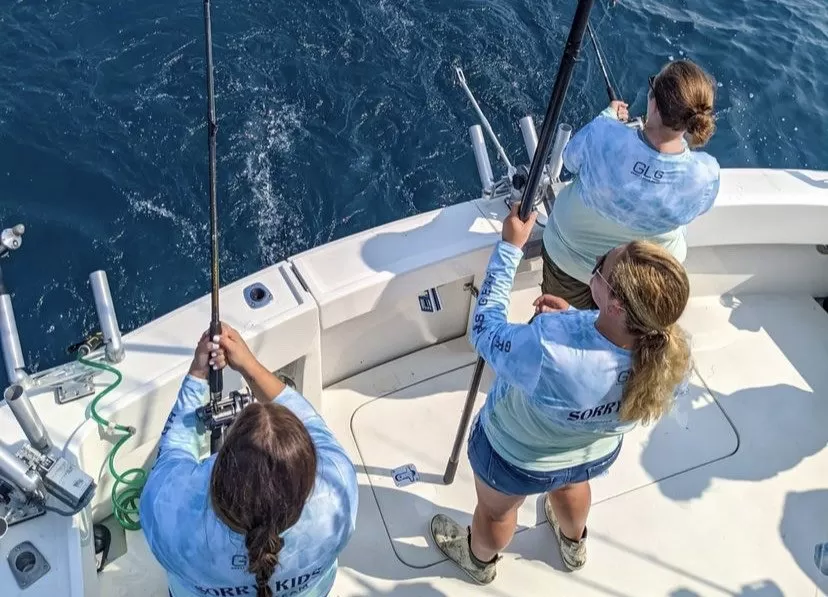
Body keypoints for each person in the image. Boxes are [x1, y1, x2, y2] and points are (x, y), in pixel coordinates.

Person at [430, 205, 691, 584]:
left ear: (617, 305)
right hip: (589, 456)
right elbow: (610, 350)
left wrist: (509, 248)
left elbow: (485, 332)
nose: (598, 261)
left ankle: (478, 561)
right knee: (569, 485)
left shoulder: (548, 350)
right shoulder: (668, 355)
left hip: (514, 457)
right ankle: (573, 544)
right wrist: (574, 318)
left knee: (496, 514)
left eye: (602, 264)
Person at [140, 324, 358, 597]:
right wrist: (250, 366)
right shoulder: (339, 496)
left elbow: (172, 454)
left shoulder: (169, 515)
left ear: (217, 472)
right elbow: (311, 421)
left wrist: (197, 375)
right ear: (307, 479)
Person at [542, 58, 720, 309]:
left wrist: (608, 116)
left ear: (654, 103)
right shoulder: (705, 174)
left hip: (570, 258)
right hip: (640, 281)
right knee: (614, 334)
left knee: (558, 321)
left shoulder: (602, 134)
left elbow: (570, 161)